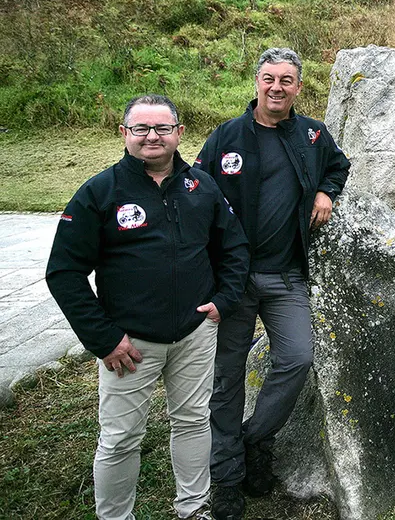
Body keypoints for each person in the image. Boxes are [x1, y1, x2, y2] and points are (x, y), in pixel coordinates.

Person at [46, 94, 250, 519]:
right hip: (129, 344)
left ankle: (194, 508)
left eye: (162, 128)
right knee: (121, 438)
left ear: (178, 134)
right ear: (124, 134)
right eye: (141, 128)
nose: (152, 136)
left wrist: (222, 302)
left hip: (194, 333)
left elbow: (233, 247)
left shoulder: (201, 186)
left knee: (193, 422)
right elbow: (64, 273)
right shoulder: (99, 193)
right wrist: (104, 339)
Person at [195, 47, 350, 520]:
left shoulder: (312, 134)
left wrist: (325, 191)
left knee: (298, 357)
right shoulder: (227, 136)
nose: (277, 87)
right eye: (269, 78)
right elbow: (198, 190)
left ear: (298, 87)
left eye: (287, 80)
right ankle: (226, 478)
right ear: (256, 82)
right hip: (233, 282)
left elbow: (339, 164)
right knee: (227, 378)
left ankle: (253, 440)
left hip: (286, 276)